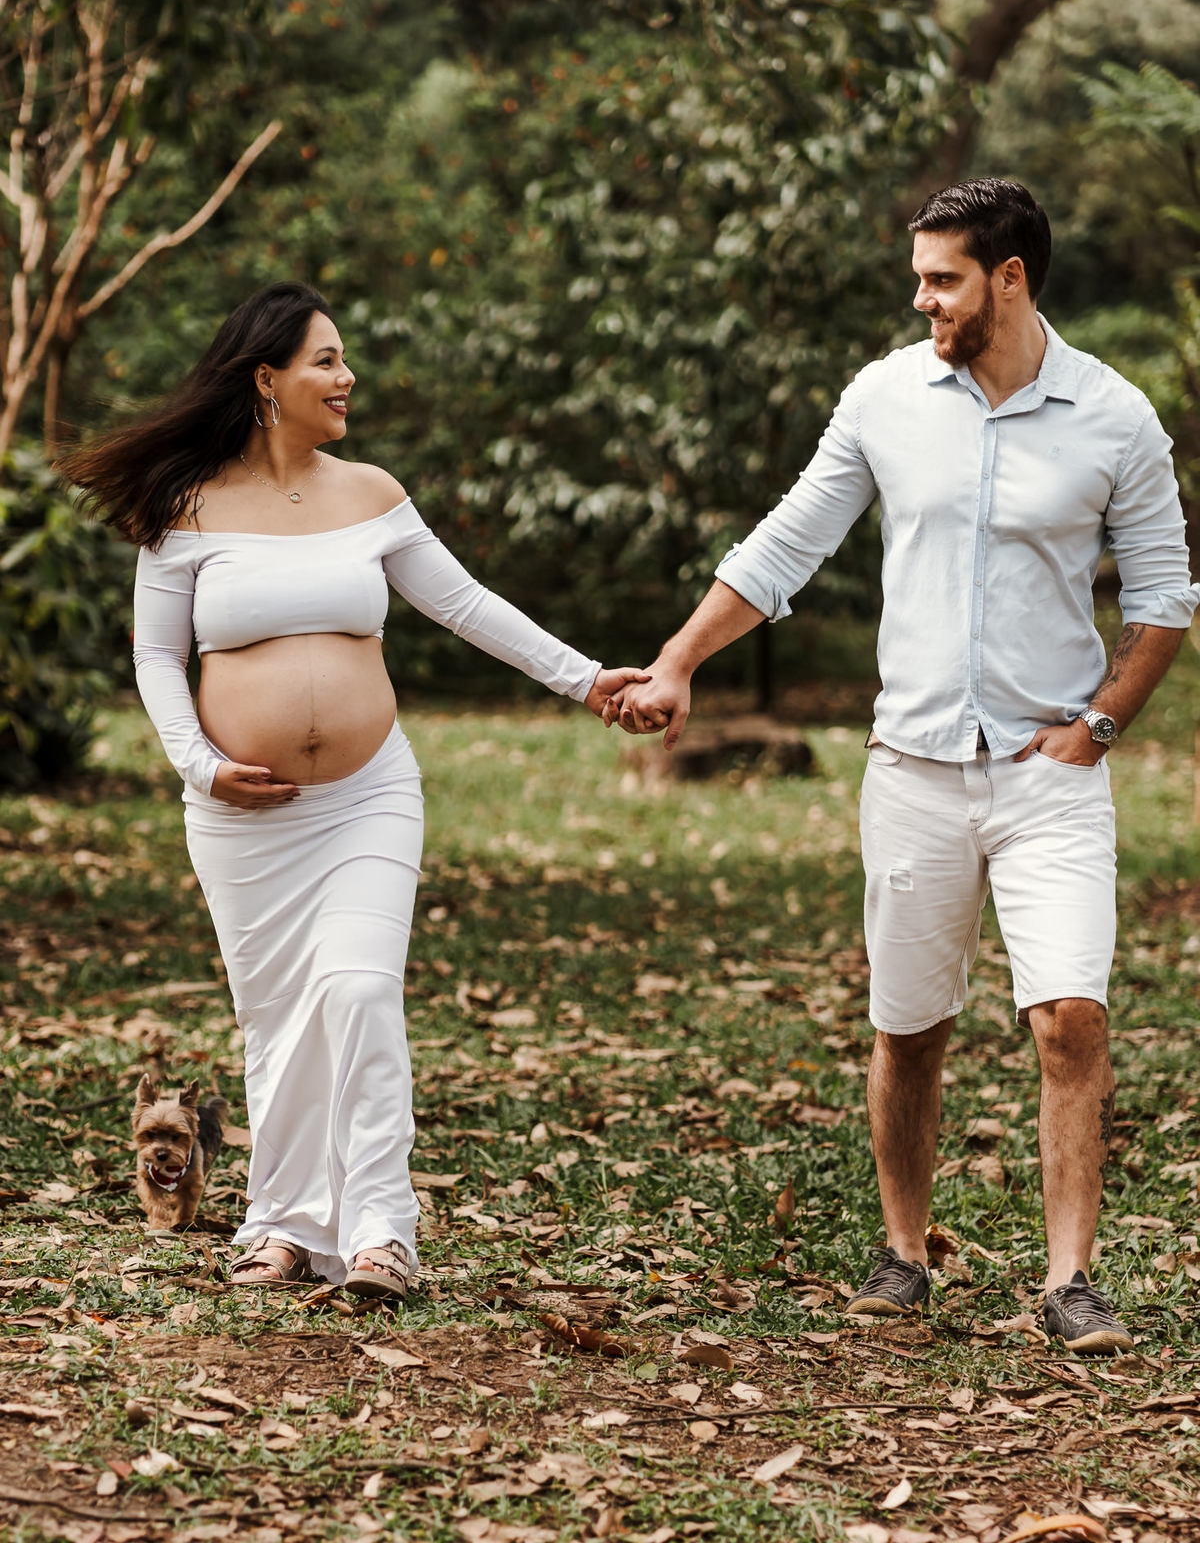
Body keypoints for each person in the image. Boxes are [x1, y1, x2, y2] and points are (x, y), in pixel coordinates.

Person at [608, 179, 1198, 1355]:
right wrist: (679, 660)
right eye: (921, 276)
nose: (921, 296)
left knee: (1071, 1018)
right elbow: (788, 544)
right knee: (909, 1027)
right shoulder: (885, 397)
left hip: (1051, 771)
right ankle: (902, 1254)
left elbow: (1166, 593)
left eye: (943, 278)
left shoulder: (1114, 415)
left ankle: (1071, 1281)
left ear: (1010, 278)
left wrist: (1103, 724)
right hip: (915, 766)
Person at [63, 282, 645, 1297]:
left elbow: (467, 605)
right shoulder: (186, 507)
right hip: (243, 819)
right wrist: (197, 762)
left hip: (368, 796)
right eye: (326, 360)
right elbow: (156, 657)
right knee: (279, 1018)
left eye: (343, 359)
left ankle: (382, 1228)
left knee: (362, 990)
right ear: (266, 380)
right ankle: (281, 1226)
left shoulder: (370, 493)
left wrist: (587, 679)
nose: (346, 377)